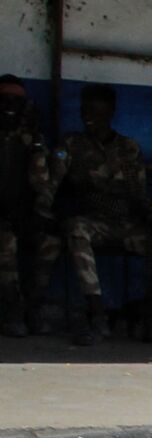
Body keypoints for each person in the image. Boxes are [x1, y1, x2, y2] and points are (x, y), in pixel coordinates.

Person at [51, 84, 152, 346]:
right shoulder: (72, 144)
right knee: (76, 228)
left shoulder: (128, 148)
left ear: (110, 113)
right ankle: (96, 312)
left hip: (129, 225)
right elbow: (52, 184)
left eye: (96, 112)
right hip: (93, 221)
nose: (89, 117)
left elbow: (139, 194)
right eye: (85, 111)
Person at [0, 74, 61, 338]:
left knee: (50, 241)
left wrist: (34, 142)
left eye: (16, 101)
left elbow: (41, 182)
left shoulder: (29, 138)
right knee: (5, 241)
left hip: (19, 213)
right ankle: (11, 309)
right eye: (4, 100)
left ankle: (33, 306)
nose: (10, 107)